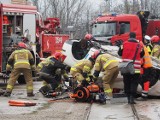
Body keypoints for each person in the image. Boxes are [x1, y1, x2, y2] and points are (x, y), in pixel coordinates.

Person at [118, 32, 144, 104]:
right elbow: (142, 54)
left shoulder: (124, 44)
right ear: (135, 37)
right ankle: (132, 98)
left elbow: (119, 53)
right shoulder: (139, 45)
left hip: (126, 66)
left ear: (129, 37)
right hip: (136, 67)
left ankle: (128, 97)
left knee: (126, 82)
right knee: (134, 82)